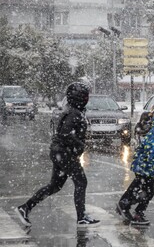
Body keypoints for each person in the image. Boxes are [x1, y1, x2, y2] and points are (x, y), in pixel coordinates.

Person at [16, 82, 99, 227]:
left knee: (55, 186)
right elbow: (66, 134)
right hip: (64, 153)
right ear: (79, 97)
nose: (87, 98)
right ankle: (81, 217)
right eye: (85, 95)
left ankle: (25, 207)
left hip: (60, 152)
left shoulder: (72, 111)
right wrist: (80, 145)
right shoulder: (74, 113)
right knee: (81, 182)